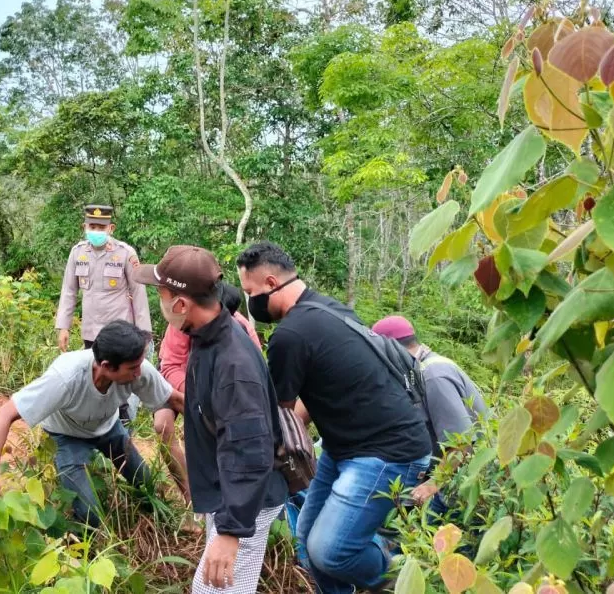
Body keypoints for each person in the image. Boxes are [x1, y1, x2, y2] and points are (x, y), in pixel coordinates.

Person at [236, 241, 431, 594]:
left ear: (269, 283)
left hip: (386, 452)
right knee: (307, 544)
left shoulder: (289, 336)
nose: (251, 302)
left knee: (331, 552)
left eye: (250, 292)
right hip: (346, 448)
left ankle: (415, 578)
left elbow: (278, 414)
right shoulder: (331, 309)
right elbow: (308, 403)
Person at [136, 246, 288, 594]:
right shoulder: (206, 337)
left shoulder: (233, 364)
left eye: (161, 294)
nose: (159, 303)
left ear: (181, 304)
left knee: (213, 590)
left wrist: (232, 530)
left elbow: (250, 450)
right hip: (230, 495)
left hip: (246, 502)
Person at [0, 320, 183, 528]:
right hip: (66, 435)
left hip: (108, 427)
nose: (138, 373)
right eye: (133, 368)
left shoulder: (137, 369)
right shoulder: (66, 377)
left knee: (146, 484)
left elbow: (174, 399)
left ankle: (157, 526)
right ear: (106, 366)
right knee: (91, 515)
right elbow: (2, 415)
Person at [154, 282, 260, 503]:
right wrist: (199, 397)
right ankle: (190, 495)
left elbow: (257, 369)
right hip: (179, 380)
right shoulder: (183, 321)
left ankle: (223, 490)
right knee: (163, 425)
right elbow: (171, 366)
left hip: (218, 389)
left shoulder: (241, 328)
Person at [372, 315, 487, 518]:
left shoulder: (433, 374)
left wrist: (431, 485)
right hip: (450, 475)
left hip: (470, 482)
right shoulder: (415, 372)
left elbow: (462, 442)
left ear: (391, 350)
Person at [55, 205, 152, 426]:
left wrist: (144, 334)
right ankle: (95, 423)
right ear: (84, 227)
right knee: (96, 378)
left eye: (101, 226)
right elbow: (69, 291)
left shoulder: (125, 253)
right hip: (91, 332)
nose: (96, 230)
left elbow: (138, 293)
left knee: (120, 378)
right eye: (92, 226)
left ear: (111, 228)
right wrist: (64, 327)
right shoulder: (77, 252)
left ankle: (124, 425)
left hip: (120, 332)